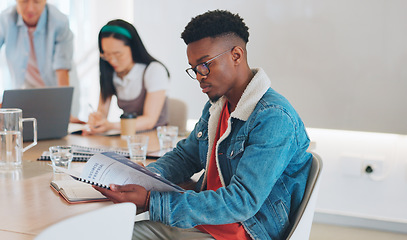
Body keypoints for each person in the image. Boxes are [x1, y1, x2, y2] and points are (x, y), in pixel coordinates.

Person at [94, 10, 313, 240]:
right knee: (109, 231)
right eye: (194, 68)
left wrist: (151, 200)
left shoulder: (273, 118)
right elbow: (186, 157)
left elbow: (241, 202)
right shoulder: (218, 105)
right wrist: (143, 177)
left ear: (236, 55)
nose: (199, 76)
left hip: (242, 232)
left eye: (204, 65)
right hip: (205, 221)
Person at [84, 19, 169, 135]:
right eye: (106, 55)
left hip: (155, 138)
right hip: (128, 138)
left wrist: (110, 126)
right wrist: (97, 120)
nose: (112, 60)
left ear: (133, 48)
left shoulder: (154, 70)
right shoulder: (111, 72)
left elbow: (149, 121)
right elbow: (102, 112)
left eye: (118, 54)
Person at [0, 0, 73, 89]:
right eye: (24, 1)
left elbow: (62, 67)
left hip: (56, 86)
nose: (30, 9)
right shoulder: (4, 20)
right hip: (25, 89)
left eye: (36, 2)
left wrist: (62, 99)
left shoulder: (59, 22)